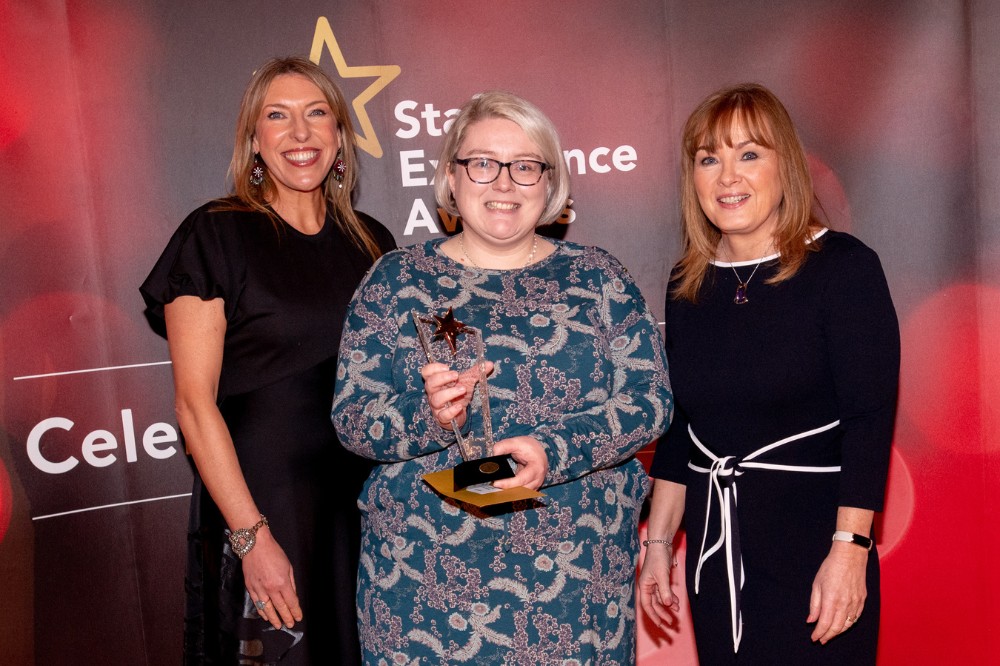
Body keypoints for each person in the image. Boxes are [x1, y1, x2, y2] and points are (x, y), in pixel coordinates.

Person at [331, 90, 672, 663]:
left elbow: (650, 400)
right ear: (452, 176)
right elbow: (352, 418)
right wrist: (430, 415)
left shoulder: (599, 278)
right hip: (425, 589)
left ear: (550, 182)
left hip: (575, 586)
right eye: (483, 163)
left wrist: (555, 450)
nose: (505, 183)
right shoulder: (395, 280)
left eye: (525, 166)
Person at [140, 56, 395, 665]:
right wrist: (251, 537)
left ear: (340, 136)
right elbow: (193, 405)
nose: (300, 133)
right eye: (277, 116)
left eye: (317, 114)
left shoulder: (374, 243)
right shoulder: (216, 234)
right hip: (265, 504)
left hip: (365, 507)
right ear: (255, 140)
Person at [638, 83, 899, 664]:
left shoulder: (844, 268)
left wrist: (850, 550)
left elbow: (868, 422)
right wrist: (657, 544)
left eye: (749, 154)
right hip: (718, 555)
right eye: (709, 159)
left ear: (787, 167)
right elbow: (683, 432)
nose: (727, 177)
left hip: (818, 553)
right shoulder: (687, 283)